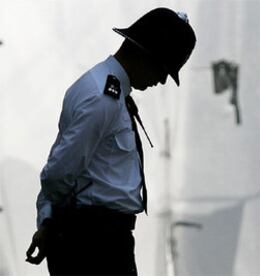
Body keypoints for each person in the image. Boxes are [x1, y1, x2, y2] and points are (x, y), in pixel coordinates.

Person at [25, 7, 196, 276]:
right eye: (162, 69)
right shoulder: (103, 99)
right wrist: (53, 223)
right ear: (143, 54)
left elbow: (63, 164)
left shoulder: (105, 89)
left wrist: (48, 221)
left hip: (98, 239)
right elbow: (59, 172)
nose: (162, 80)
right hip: (94, 244)